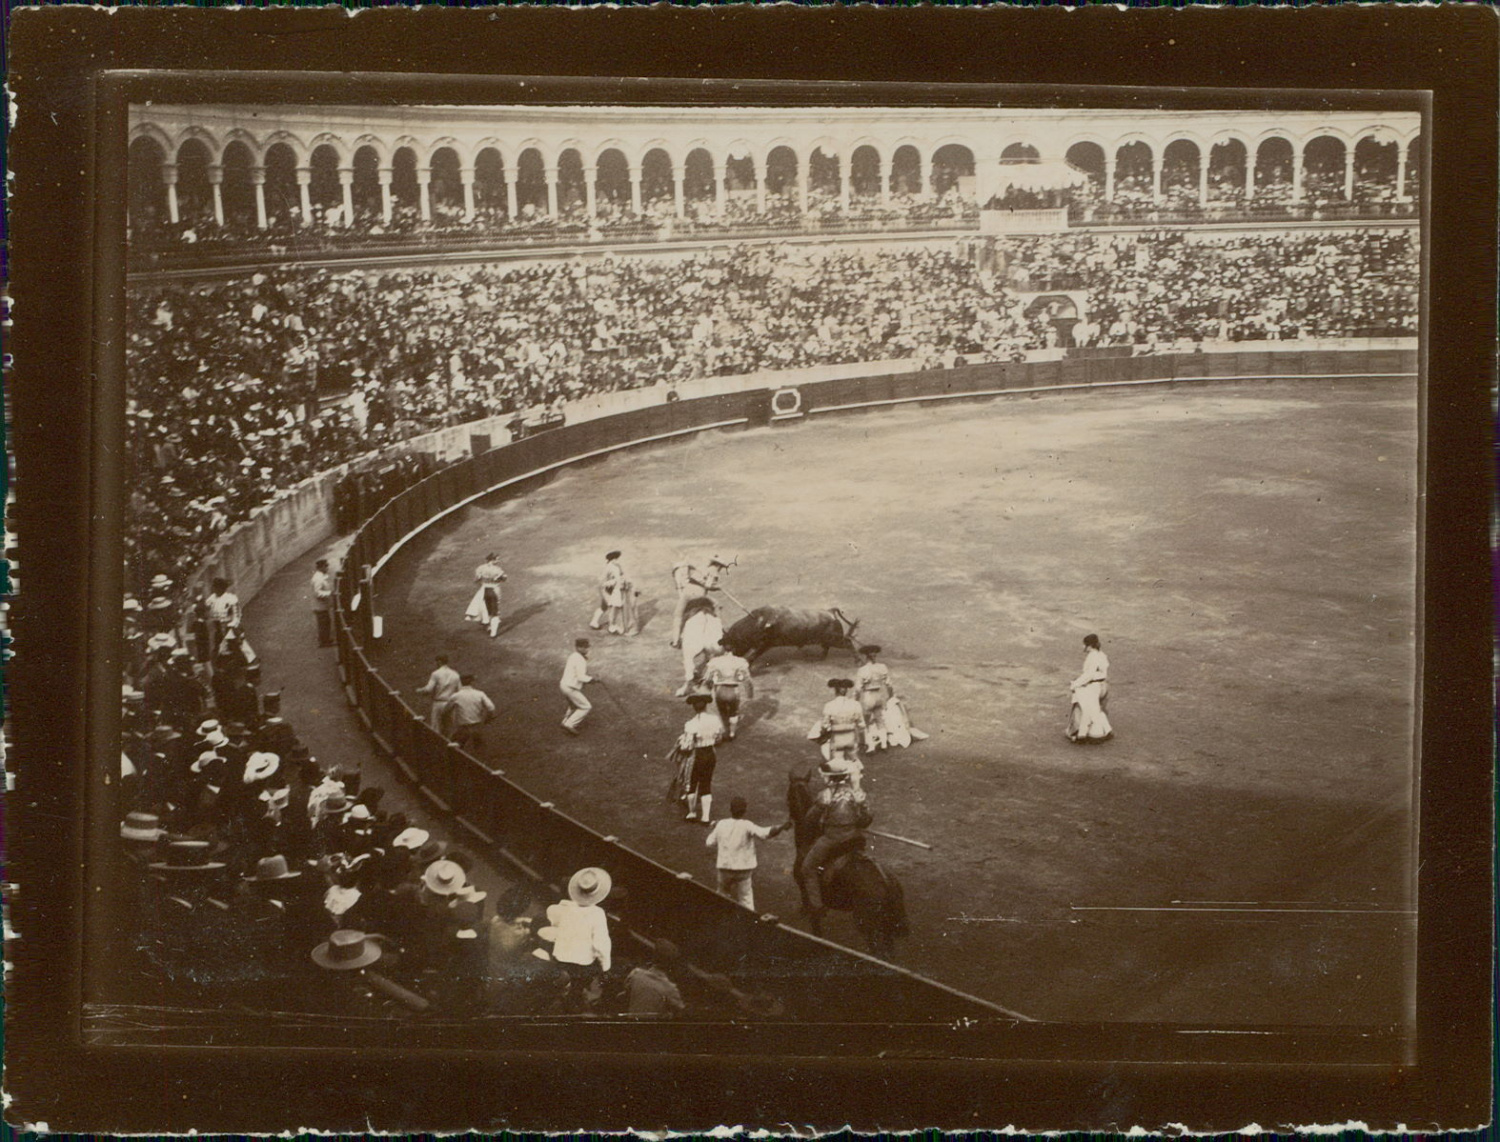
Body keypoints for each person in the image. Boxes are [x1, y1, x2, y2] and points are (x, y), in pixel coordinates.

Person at [798, 761, 873, 927]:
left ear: (830, 777)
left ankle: (817, 907)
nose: (822, 777)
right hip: (854, 837)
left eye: (824, 775)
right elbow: (867, 820)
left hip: (832, 839)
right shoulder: (857, 793)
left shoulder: (825, 795)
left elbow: (810, 820)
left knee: (807, 868)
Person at [538, 867, 613, 1005]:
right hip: (582, 963)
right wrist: (606, 967)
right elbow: (601, 944)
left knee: (562, 984)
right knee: (576, 989)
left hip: (561, 957)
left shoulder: (567, 909)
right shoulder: (597, 913)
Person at [705, 795, 788, 910]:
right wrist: (781, 827)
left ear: (730, 809)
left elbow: (709, 843)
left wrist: (717, 828)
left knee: (722, 896)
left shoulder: (721, 824)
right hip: (744, 870)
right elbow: (765, 833)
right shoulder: (747, 825)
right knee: (746, 900)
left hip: (724, 868)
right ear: (744, 811)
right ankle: (748, 924)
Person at [679, 692, 722, 823]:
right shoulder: (715, 720)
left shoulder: (691, 724)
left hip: (696, 755)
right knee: (706, 784)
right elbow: (719, 739)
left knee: (692, 784)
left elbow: (686, 746)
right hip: (710, 754)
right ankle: (705, 817)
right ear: (706, 706)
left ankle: (692, 813)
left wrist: (681, 743)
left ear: (694, 707)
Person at [1067, 632, 1113, 743]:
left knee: (1087, 709)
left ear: (1089, 646)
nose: (1083, 647)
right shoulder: (1102, 654)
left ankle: (1082, 735)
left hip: (1094, 686)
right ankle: (1107, 730)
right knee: (1098, 709)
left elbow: (1089, 675)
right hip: (1104, 685)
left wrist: (1075, 684)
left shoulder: (1092, 657)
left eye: (1084, 644)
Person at [622, 939, 686, 1017]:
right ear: (672, 965)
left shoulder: (635, 974)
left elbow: (623, 997)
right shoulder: (670, 989)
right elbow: (682, 1013)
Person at [701, 643, 753, 739]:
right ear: (733, 650)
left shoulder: (715, 661)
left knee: (723, 712)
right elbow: (747, 679)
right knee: (733, 712)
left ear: (723, 650)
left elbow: (707, 678)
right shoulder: (740, 661)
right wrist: (750, 694)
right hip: (734, 691)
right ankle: (732, 733)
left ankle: (725, 731)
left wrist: (707, 687)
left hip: (720, 690)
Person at [676, 598, 724, 697]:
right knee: (714, 655)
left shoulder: (691, 621)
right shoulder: (714, 618)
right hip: (714, 643)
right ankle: (708, 680)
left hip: (698, 637)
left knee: (688, 658)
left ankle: (690, 683)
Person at [812, 678, 864, 766]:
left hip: (837, 739)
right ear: (847, 691)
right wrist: (862, 741)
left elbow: (825, 725)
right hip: (851, 738)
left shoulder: (829, 705)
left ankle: (841, 778)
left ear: (835, 691)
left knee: (837, 762)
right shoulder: (855, 704)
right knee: (854, 760)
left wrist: (823, 733)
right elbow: (861, 724)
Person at [854, 645, 892, 752]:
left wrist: (855, 700)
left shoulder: (862, 670)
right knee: (880, 720)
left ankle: (870, 746)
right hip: (880, 695)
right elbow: (889, 684)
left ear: (866, 656)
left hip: (868, 696)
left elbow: (858, 688)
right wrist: (890, 696)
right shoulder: (882, 667)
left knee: (866, 722)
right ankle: (884, 744)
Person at [446, 674, 496, 752]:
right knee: (479, 748)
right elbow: (491, 708)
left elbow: (446, 710)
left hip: (463, 727)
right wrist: (488, 719)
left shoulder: (455, 696)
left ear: (460, 683)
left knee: (455, 748)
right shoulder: (480, 694)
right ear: (472, 682)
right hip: (477, 726)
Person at [415, 654, 461, 733]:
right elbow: (460, 691)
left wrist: (420, 691)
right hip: (450, 703)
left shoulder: (436, 674)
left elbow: (428, 689)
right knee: (449, 727)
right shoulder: (455, 674)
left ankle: (437, 744)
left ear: (439, 662)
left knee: (436, 728)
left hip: (438, 703)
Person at [465, 552, 508, 638]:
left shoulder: (480, 568)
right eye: (497, 559)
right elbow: (503, 579)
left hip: (483, 590)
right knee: (494, 611)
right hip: (494, 590)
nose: (499, 560)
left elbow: (476, 580)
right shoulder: (497, 570)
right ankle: (493, 633)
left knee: (485, 608)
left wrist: (483, 583)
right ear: (492, 560)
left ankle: (488, 626)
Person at [559, 638, 594, 735]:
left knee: (573, 705)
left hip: (564, 685)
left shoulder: (573, 656)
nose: (587, 649)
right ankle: (570, 724)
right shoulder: (580, 659)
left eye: (587, 647)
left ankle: (565, 721)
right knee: (586, 706)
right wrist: (592, 680)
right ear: (578, 648)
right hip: (570, 687)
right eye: (584, 647)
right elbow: (580, 676)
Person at [589, 550, 628, 635]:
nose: (618, 560)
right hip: (608, 588)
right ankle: (612, 626)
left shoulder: (608, 565)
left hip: (602, 587)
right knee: (614, 607)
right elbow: (618, 581)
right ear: (613, 559)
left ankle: (594, 622)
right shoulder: (614, 568)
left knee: (604, 606)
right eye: (617, 559)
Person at [205, 577, 240, 656]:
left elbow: (236, 614)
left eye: (215, 587)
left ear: (220, 588)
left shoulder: (231, 598)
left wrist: (233, 624)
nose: (213, 588)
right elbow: (206, 608)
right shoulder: (211, 598)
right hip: (218, 626)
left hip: (229, 626)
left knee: (235, 646)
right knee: (217, 647)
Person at [310, 559, 334, 647]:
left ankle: (325, 639)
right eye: (325, 566)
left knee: (325, 622)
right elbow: (317, 593)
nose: (327, 568)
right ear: (321, 567)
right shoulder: (318, 578)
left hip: (322, 605)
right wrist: (329, 593)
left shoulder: (320, 576)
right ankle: (324, 642)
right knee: (323, 623)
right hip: (320, 606)